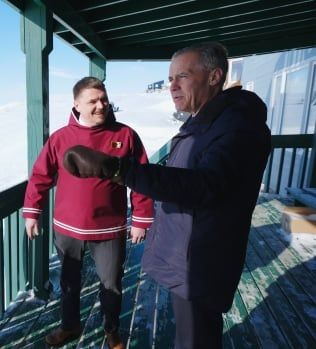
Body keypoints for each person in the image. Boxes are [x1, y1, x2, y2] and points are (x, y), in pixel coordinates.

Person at [62, 42, 271, 349]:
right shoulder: (205, 123)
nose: (171, 86)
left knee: (194, 340)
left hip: (202, 259)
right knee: (189, 336)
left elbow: (204, 185)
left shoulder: (237, 126)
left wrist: (120, 170)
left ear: (214, 77)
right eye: (170, 79)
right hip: (189, 255)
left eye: (182, 77)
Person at [23, 76, 154, 348]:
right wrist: (32, 212)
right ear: (76, 104)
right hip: (68, 227)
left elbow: (142, 177)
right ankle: (69, 326)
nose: (100, 105)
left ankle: (111, 330)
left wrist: (140, 219)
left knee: (112, 284)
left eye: (103, 99)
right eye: (92, 101)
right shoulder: (61, 138)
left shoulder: (125, 135)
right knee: (69, 283)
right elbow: (40, 176)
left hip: (110, 227)